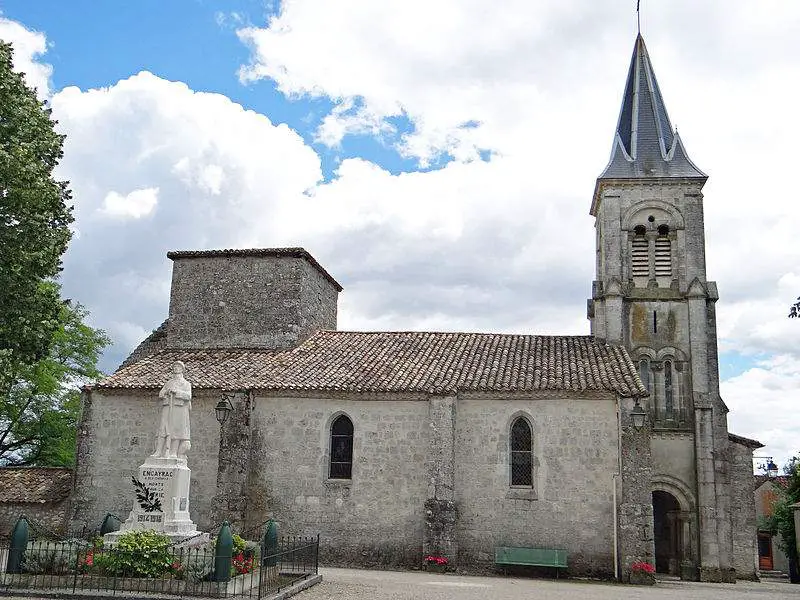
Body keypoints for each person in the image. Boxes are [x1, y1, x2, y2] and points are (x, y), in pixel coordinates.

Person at [152, 361, 192, 460]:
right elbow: (161, 394)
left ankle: (173, 452)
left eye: (178, 367)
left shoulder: (186, 384)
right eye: (174, 366)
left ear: (182, 369)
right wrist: (166, 392)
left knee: (176, 430)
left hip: (179, 408)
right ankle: (158, 451)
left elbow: (188, 396)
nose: (176, 368)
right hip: (167, 407)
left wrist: (177, 392)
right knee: (163, 429)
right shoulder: (168, 383)